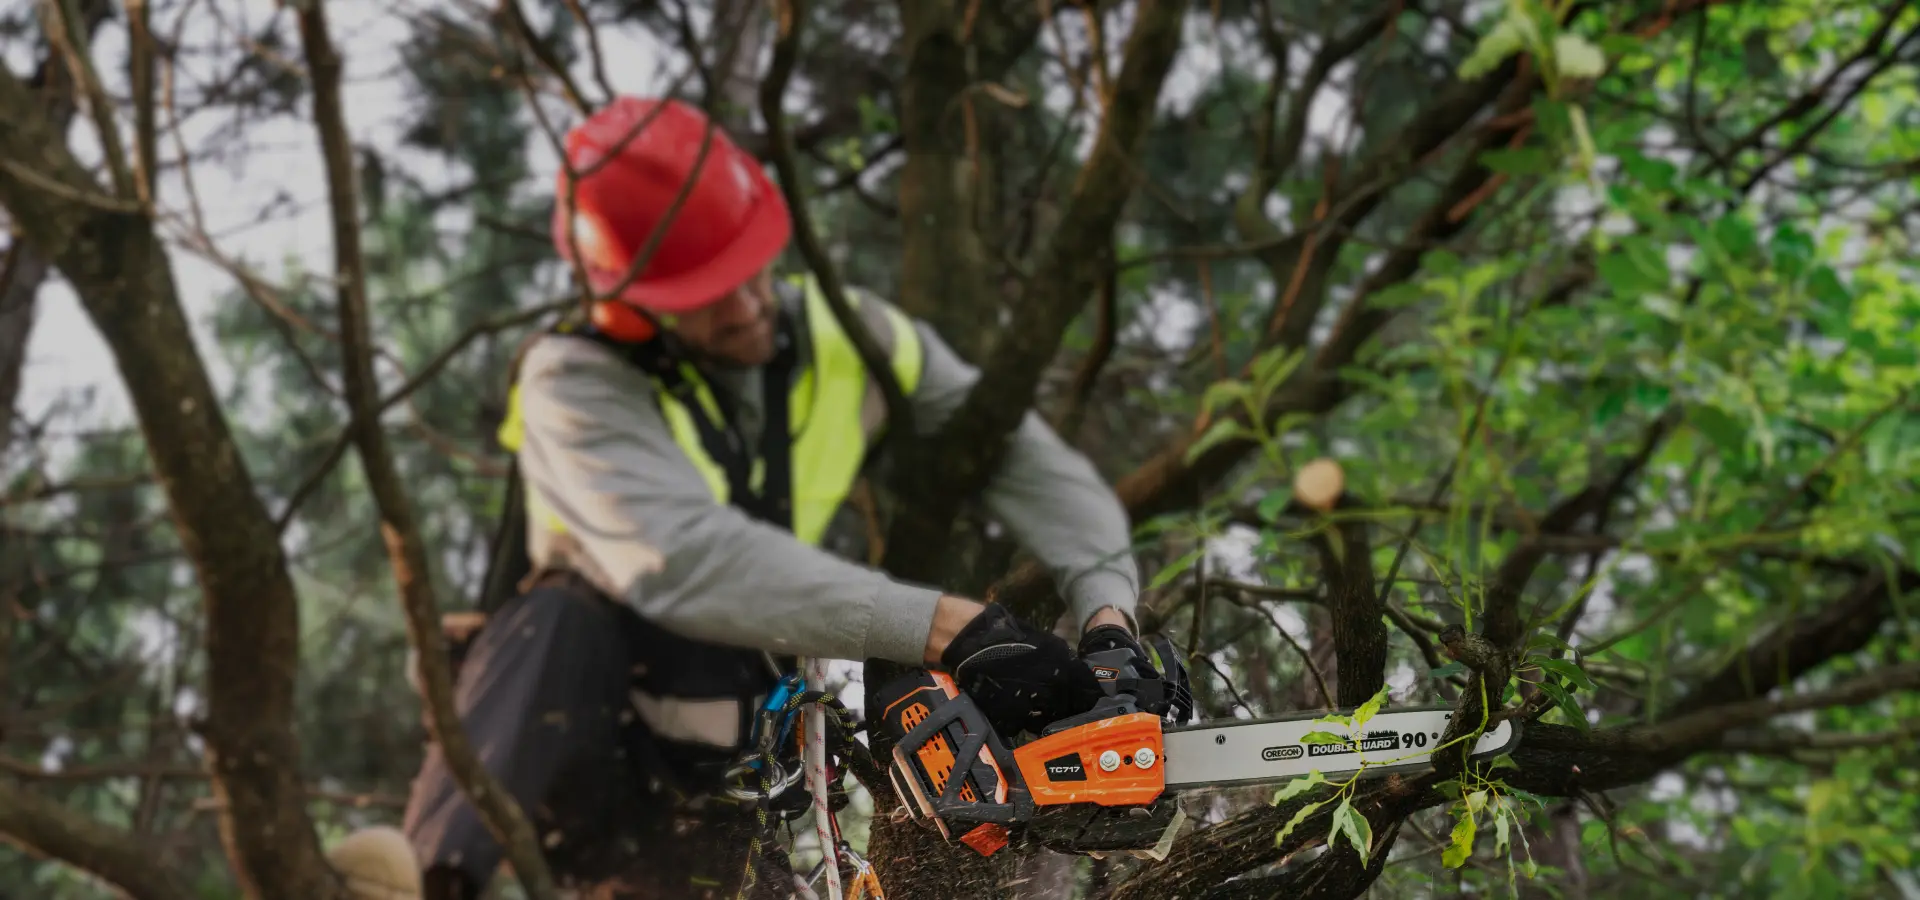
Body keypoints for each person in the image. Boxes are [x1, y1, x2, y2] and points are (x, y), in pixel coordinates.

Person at [328, 95, 1161, 900]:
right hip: (592, 759)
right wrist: (955, 628)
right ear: (627, 307)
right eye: (703, 294)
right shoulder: (576, 385)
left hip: (728, 786)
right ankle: (423, 877)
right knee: (562, 619)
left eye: (746, 271)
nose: (743, 305)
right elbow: (685, 564)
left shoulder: (850, 338)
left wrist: (1107, 619)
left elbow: (1023, 457)